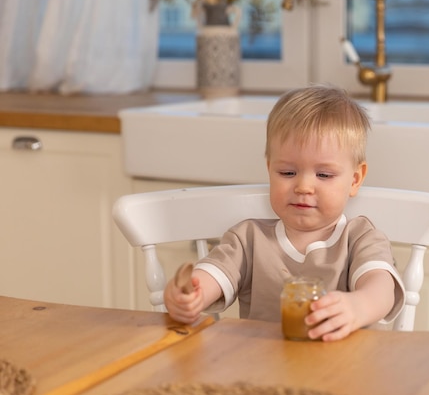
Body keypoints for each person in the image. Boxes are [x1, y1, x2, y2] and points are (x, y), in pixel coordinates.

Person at [164, 83, 405, 342]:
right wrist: (191, 294)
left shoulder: (359, 237)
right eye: (287, 173)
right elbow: (214, 275)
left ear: (355, 179)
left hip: (344, 371)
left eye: (324, 175)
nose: (303, 187)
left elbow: (381, 288)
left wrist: (359, 306)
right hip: (263, 367)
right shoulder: (248, 239)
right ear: (270, 170)